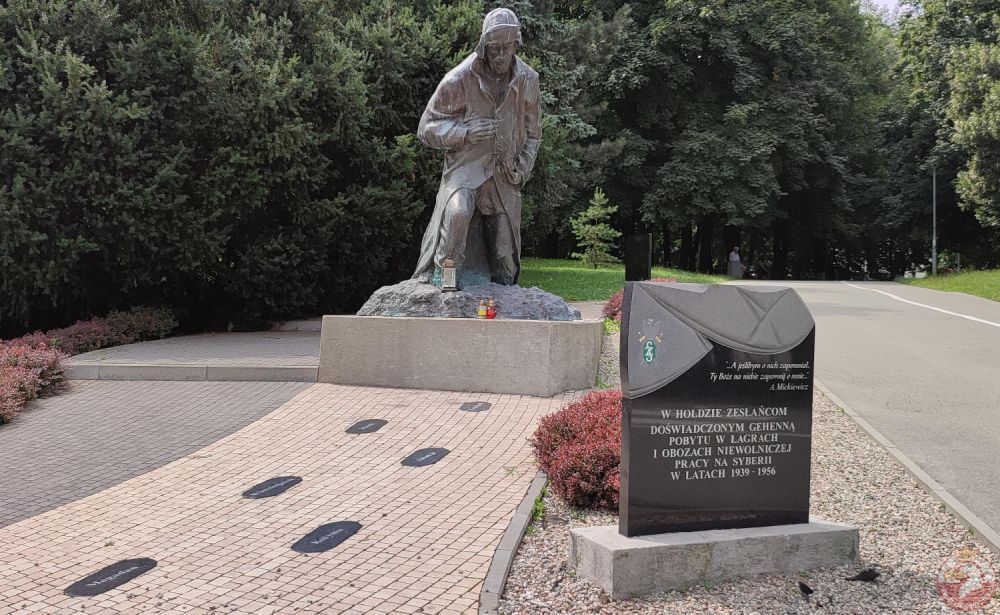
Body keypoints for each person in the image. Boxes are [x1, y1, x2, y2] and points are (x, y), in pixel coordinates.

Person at [411, 8, 542, 288]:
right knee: (458, 213)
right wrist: (465, 133)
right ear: (484, 47)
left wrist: (521, 169)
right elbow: (426, 128)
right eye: (494, 49)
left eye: (507, 48)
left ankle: (505, 297)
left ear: (515, 45)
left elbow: (533, 135)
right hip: (465, 170)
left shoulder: (528, 80)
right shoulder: (460, 79)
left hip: (503, 176)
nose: (500, 55)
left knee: (505, 257)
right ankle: (445, 278)